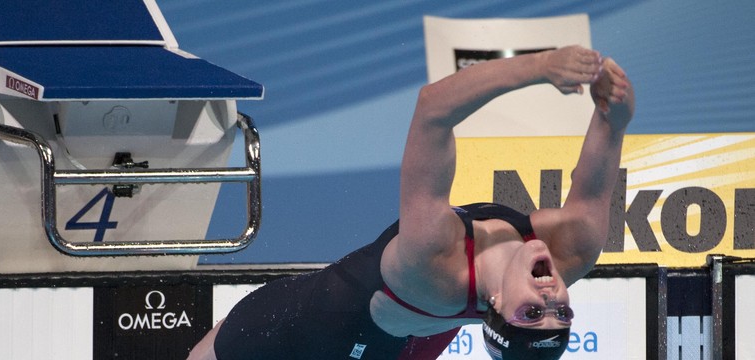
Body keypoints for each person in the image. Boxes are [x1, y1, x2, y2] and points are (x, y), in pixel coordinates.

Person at [187, 45, 634, 360]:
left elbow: (433, 108)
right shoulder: (573, 251)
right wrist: (615, 110)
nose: (550, 295)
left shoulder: (432, 260)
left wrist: (540, 66)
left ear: (495, 304)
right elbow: (599, 167)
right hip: (411, 337)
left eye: (532, 313)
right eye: (561, 311)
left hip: (325, 328)